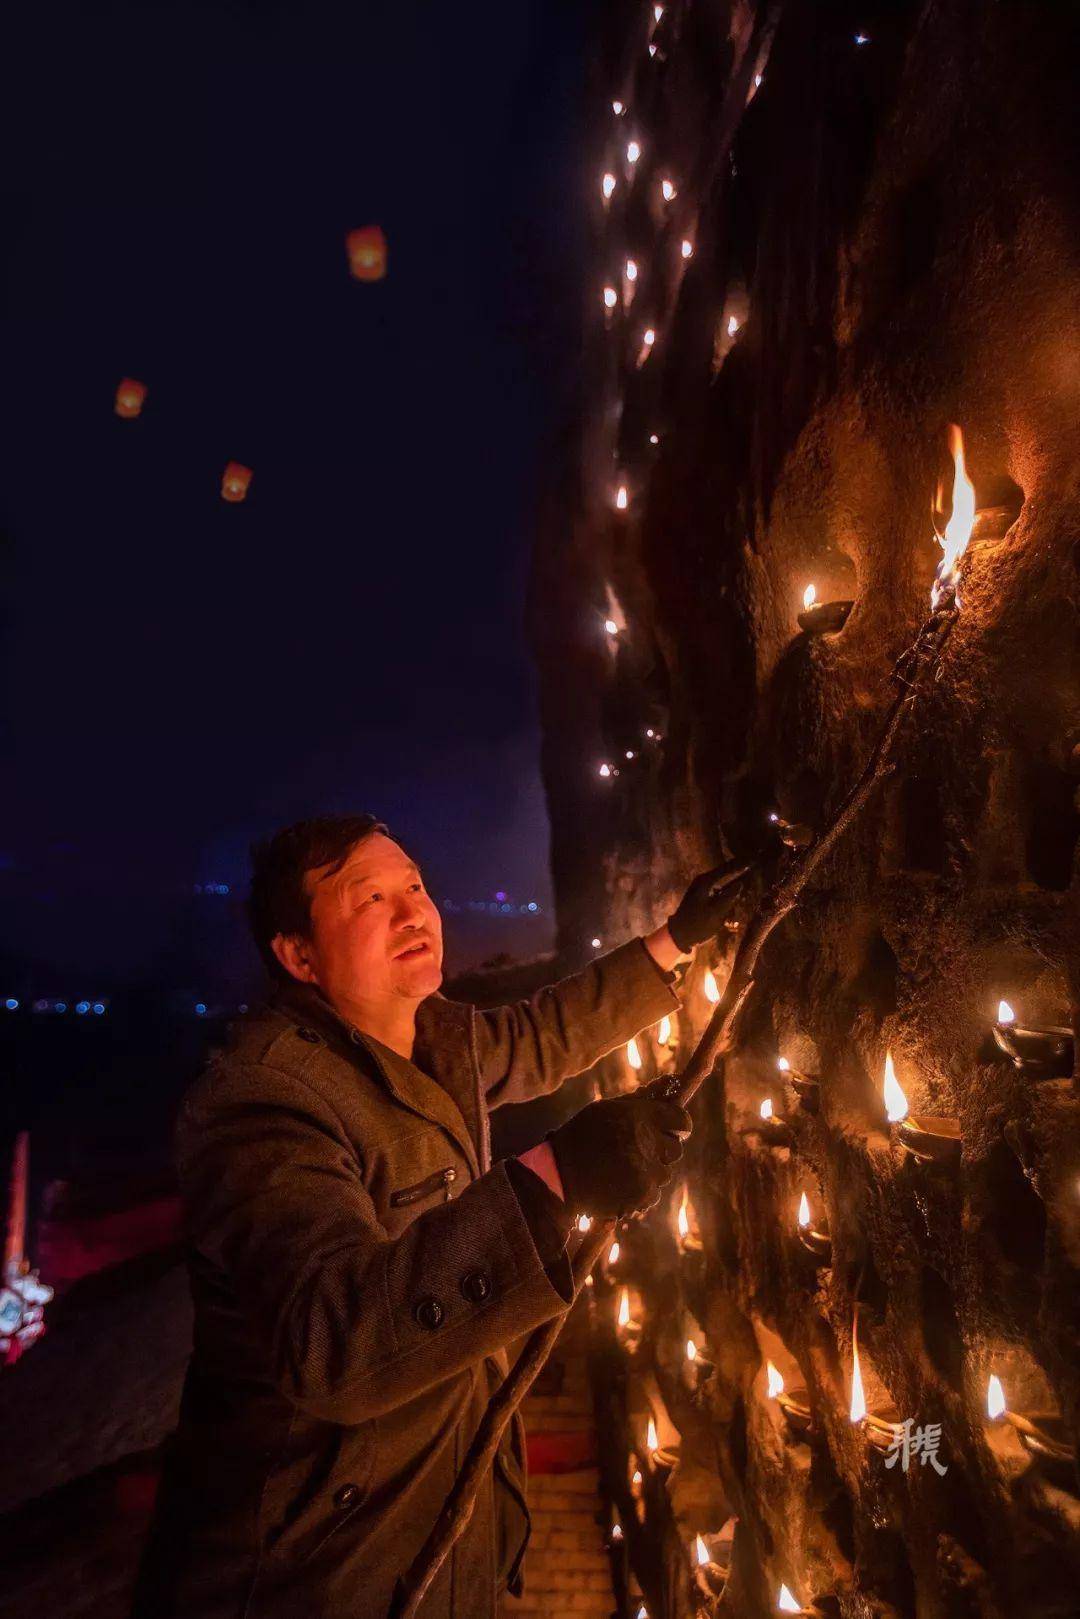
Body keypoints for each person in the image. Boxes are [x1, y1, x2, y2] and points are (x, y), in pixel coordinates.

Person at [131, 815, 746, 1619]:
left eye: (415, 885)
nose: (412, 910)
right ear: (298, 955)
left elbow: (543, 1035)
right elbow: (335, 1341)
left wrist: (676, 940)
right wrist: (557, 1176)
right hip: (317, 1568)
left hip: (444, 1534)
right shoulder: (262, 1101)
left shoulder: (431, 1040)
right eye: (370, 898)